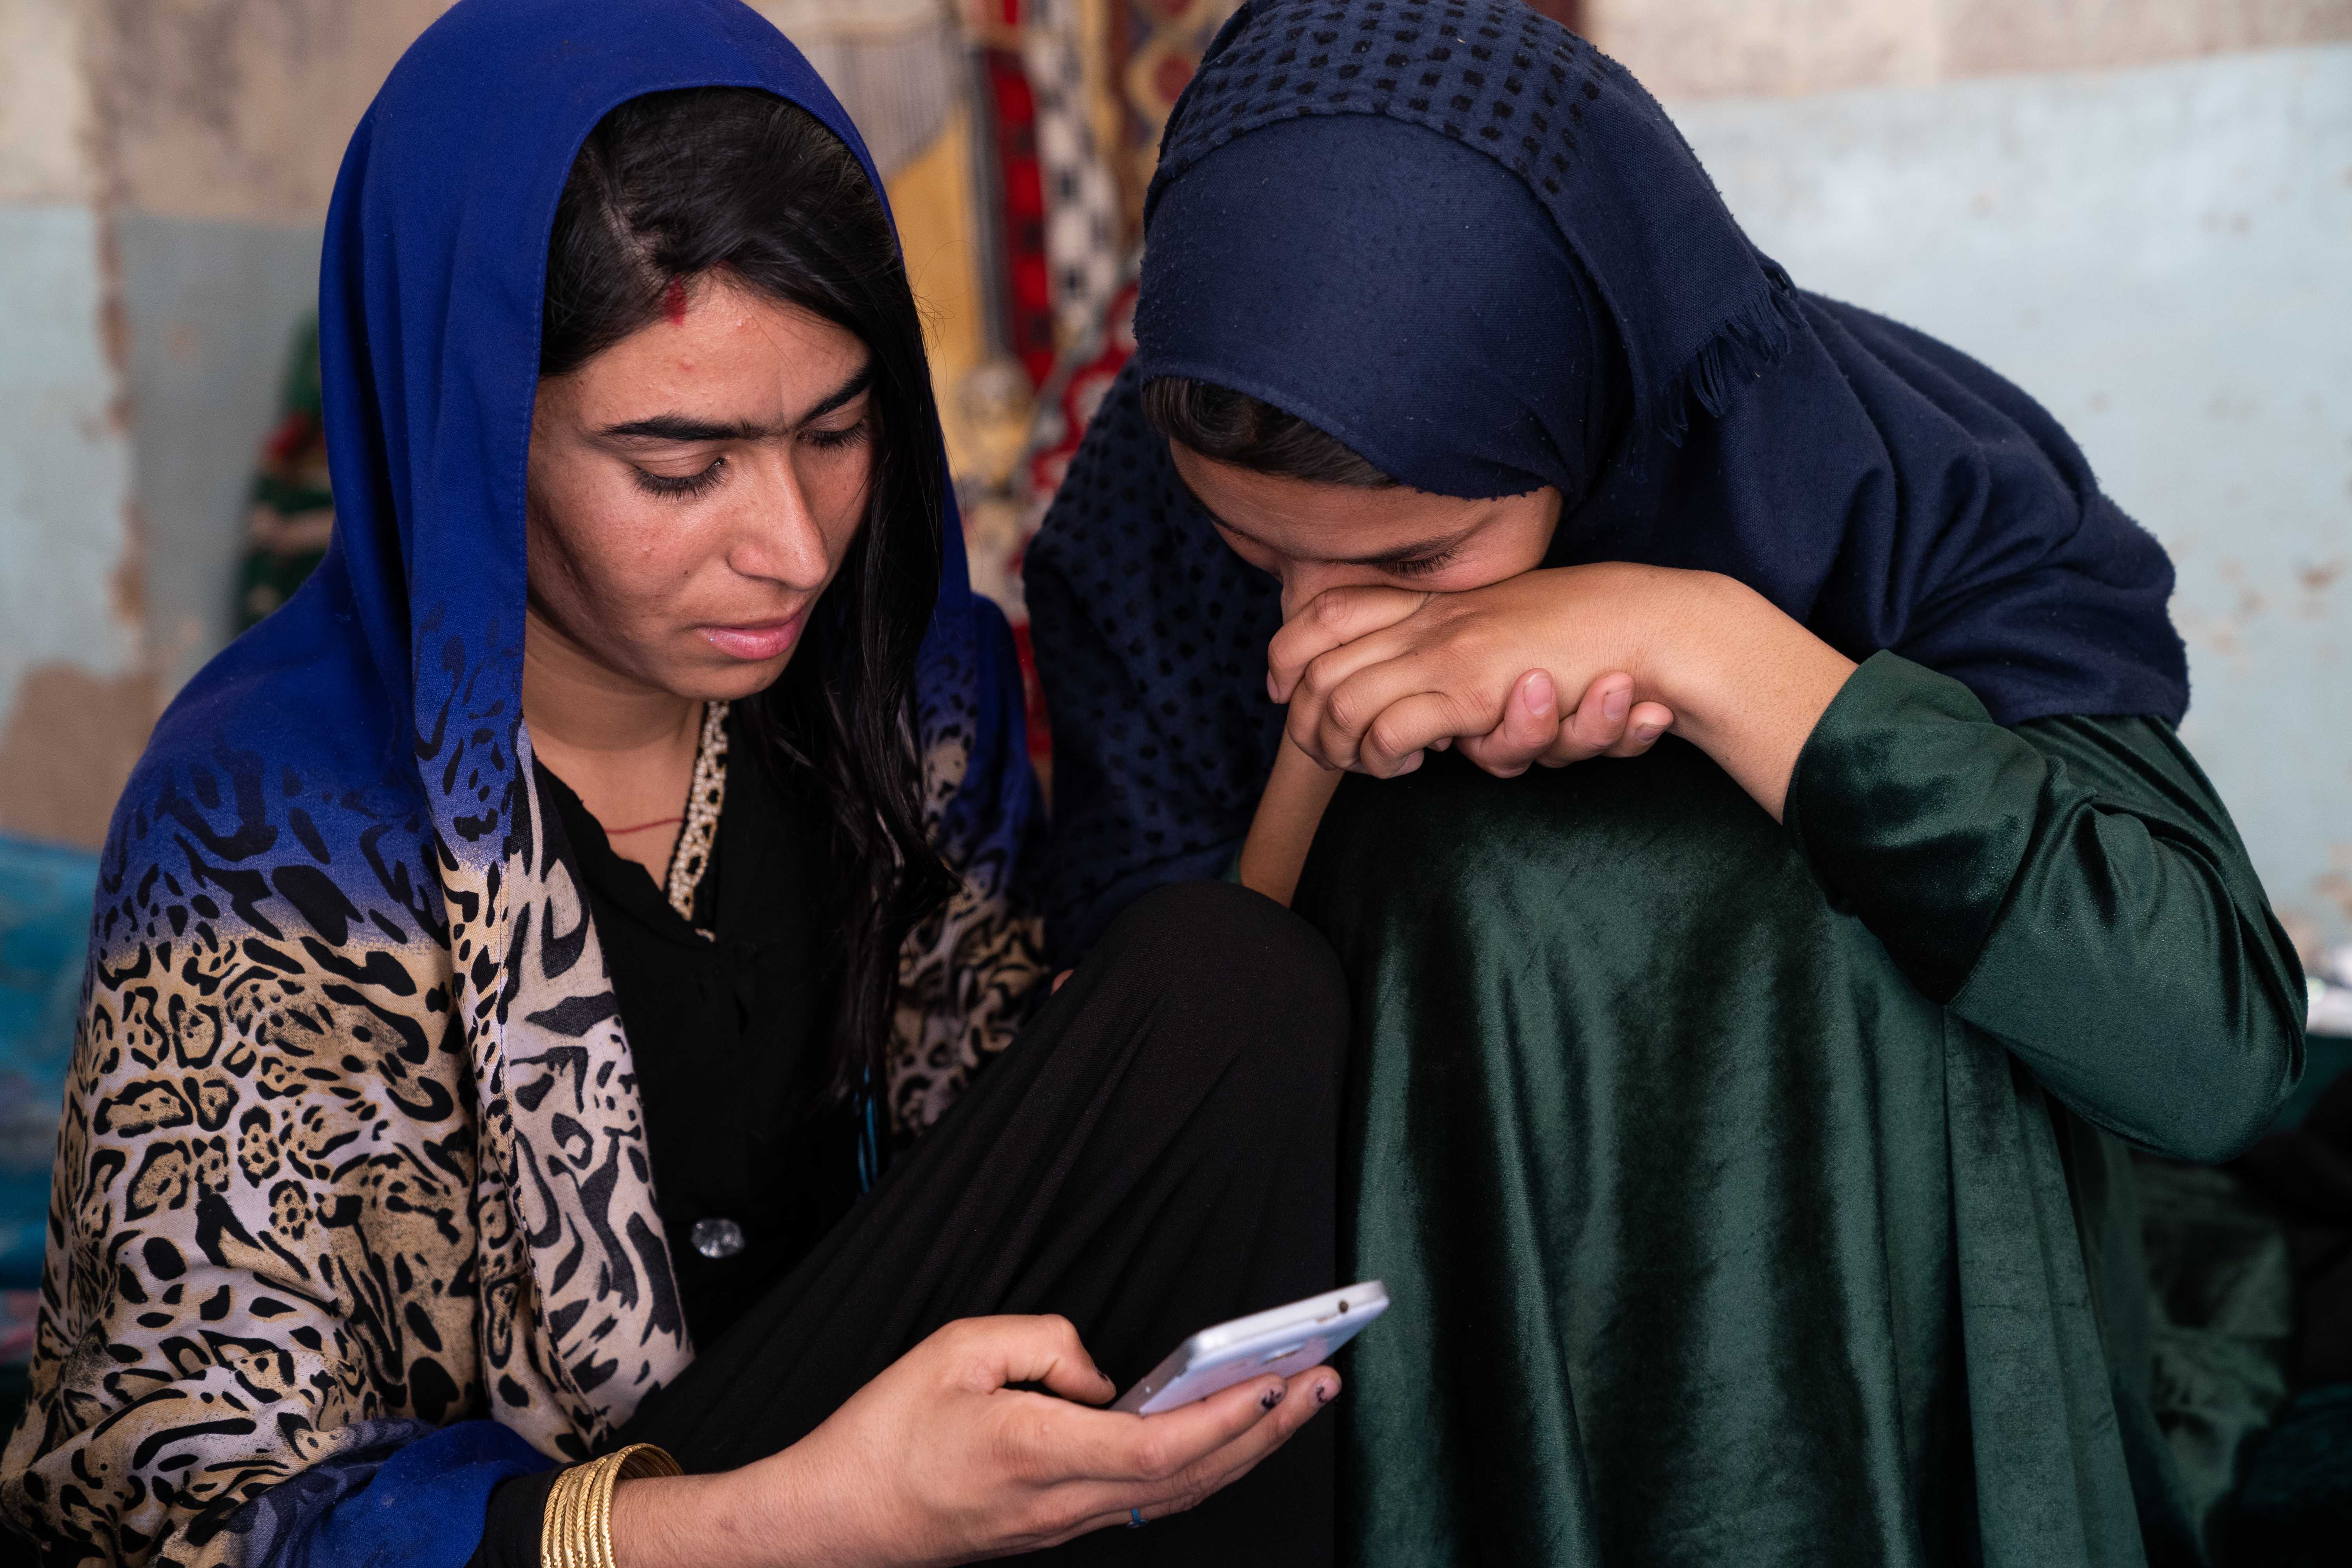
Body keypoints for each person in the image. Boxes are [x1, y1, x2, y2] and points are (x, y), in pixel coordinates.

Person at [0, 3, 1348, 1564]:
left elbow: (1020, 1146)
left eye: (837, 431)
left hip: (881, 1449)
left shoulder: (899, 686)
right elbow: (189, 1509)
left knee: (1227, 993)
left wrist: (1319, 721)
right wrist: (819, 1513)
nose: (791, 544)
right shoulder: (273, 826)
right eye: (676, 465)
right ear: (471, 432)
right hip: (574, 1535)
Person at [1023, 2, 2308, 1563]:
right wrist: (1324, 750)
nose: (1320, 614)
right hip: (1436, 1385)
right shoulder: (1143, 511)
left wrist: (1697, 640)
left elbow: (2204, 1055)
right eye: (1259, 557)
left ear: (1585, 387)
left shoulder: (1896, 489)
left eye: (1418, 556)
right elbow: (1182, 1099)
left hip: (1897, 1401)